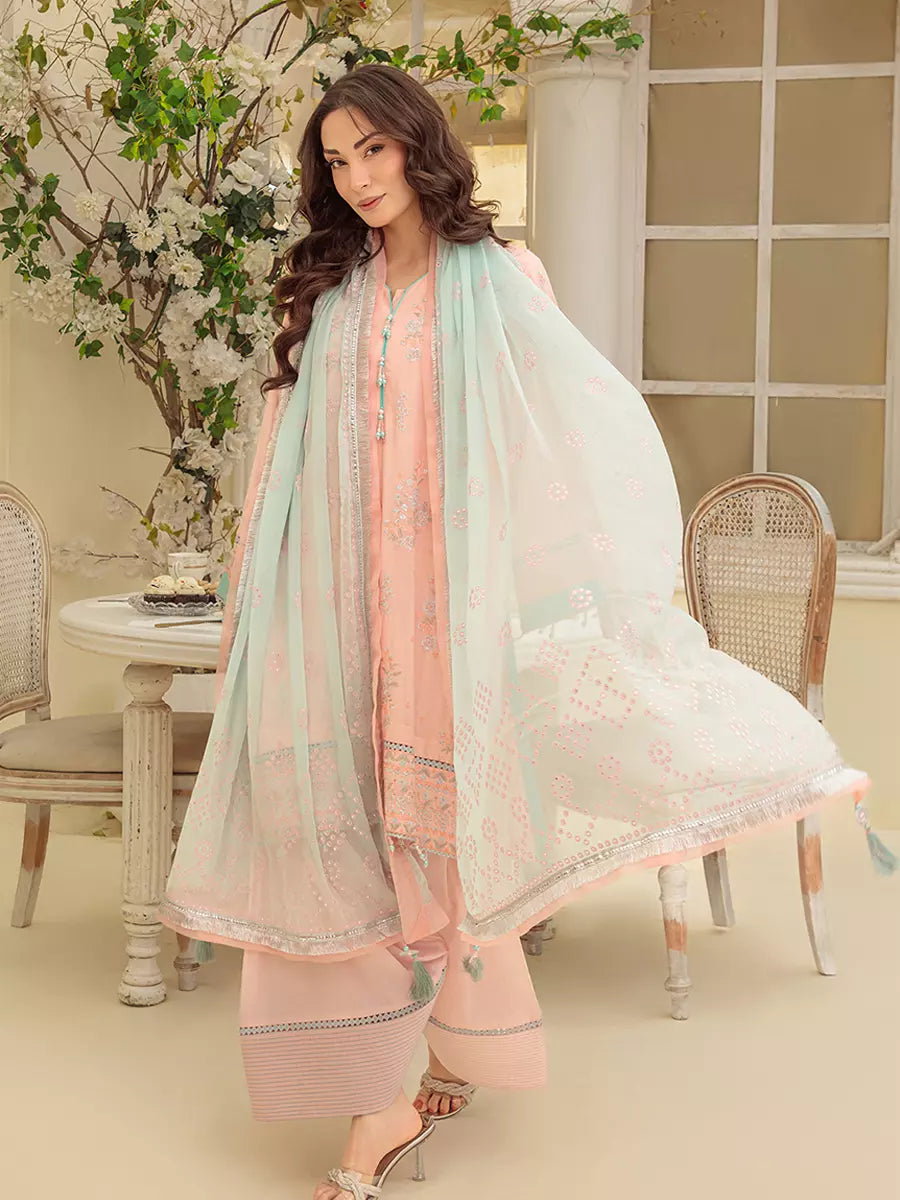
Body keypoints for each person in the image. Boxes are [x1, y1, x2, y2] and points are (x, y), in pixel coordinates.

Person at [161, 64, 881, 1199]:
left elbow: (564, 429)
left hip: (446, 620)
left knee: (436, 838)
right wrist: (258, 595)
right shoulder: (331, 293)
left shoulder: (498, 278)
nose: (357, 179)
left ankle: (429, 1068)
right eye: (337, 162)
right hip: (338, 615)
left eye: (374, 151)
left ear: (417, 144)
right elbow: (277, 460)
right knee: (335, 835)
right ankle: (381, 1087)